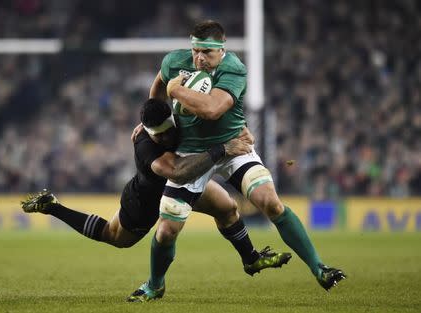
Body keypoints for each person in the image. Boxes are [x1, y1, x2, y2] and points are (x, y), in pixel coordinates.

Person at [129, 20, 346, 302]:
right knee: (167, 229)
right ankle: (155, 285)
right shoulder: (174, 61)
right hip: (190, 154)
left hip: (234, 147)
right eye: (196, 50)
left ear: (222, 49)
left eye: (206, 51)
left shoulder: (233, 69)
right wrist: (150, 123)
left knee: (270, 202)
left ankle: (319, 268)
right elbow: (159, 85)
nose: (199, 58)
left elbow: (212, 109)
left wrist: (176, 91)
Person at [21, 98, 292, 296]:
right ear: (147, 132)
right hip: (148, 198)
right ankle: (53, 207)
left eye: (166, 132)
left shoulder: (178, 118)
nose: (163, 139)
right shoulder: (146, 146)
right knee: (114, 236)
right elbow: (177, 172)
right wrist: (222, 148)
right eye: (157, 135)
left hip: (185, 187)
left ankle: (251, 258)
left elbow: (169, 85)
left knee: (228, 208)